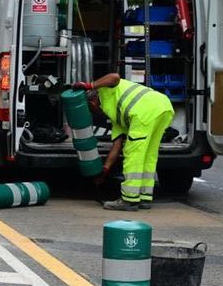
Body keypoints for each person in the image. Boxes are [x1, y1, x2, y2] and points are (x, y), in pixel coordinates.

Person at [73, 73, 174, 211]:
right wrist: (105, 169)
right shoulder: (115, 115)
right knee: (149, 156)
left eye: (91, 109)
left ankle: (129, 199)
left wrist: (89, 85)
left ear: (92, 103)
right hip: (163, 107)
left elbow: (114, 76)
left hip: (143, 113)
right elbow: (117, 145)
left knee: (133, 155)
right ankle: (144, 197)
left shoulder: (105, 89)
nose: (93, 113)